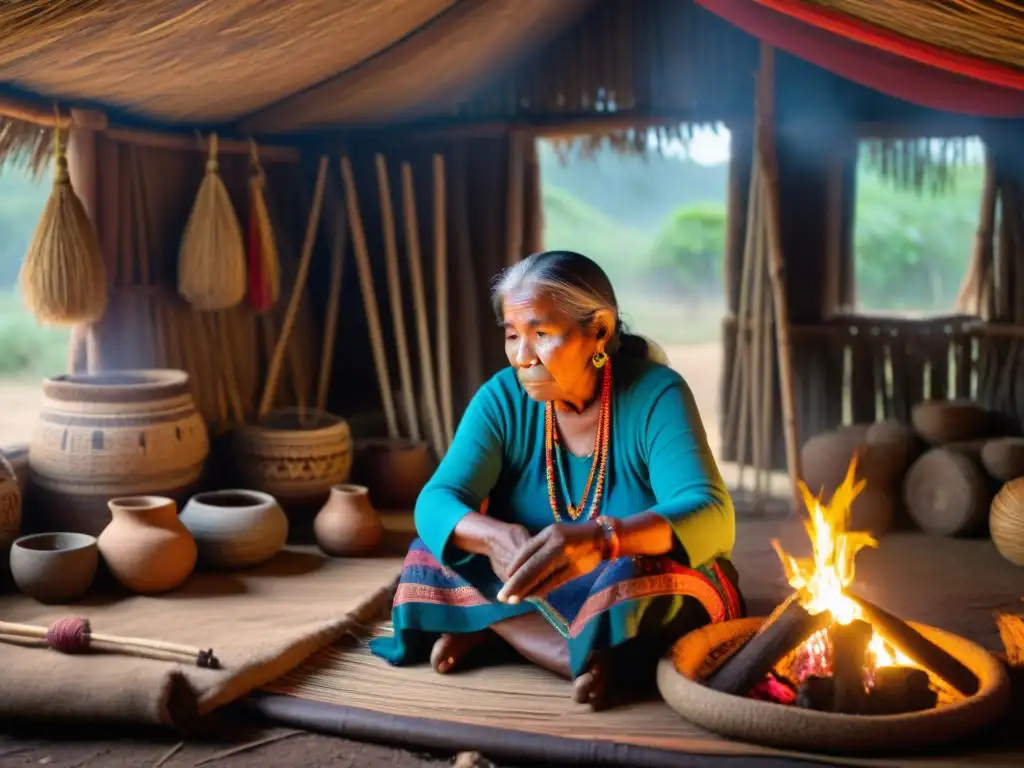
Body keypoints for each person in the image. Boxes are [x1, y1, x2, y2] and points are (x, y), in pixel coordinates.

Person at [370, 250, 742, 708]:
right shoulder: (502, 398)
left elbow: (711, 513)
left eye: (541, 334)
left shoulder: (656, 394)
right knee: (430, 552)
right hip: (528, 573)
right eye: (512, 335)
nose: (522, 357)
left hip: (613, 576)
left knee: (641, 584)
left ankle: (494, 627)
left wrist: (602, 540)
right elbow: (437, 500)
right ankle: (579, 653)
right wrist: (493, 537)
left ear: (599, 332)